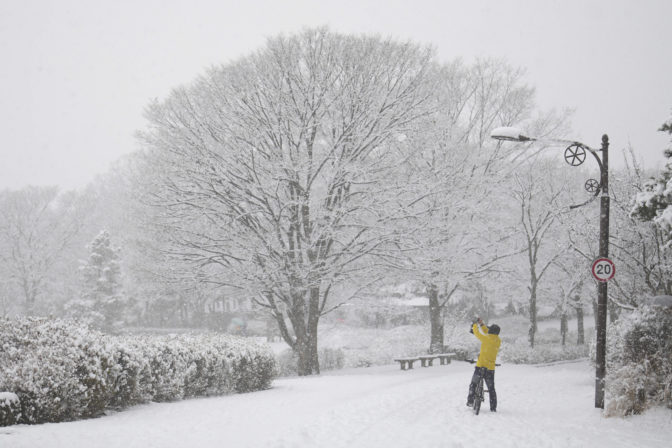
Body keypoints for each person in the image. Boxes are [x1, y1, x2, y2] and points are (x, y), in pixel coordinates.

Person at [466, 317, 501, 412]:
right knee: (491, 389)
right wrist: (482, 324)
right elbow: (487, 332)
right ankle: (493, 407)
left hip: (480, 366)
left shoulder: (486, 338)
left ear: (491, 331)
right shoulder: (498, 341)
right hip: (490, 369)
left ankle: (470, 401)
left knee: (473, 384)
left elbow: (477, 333)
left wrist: (474, 325)